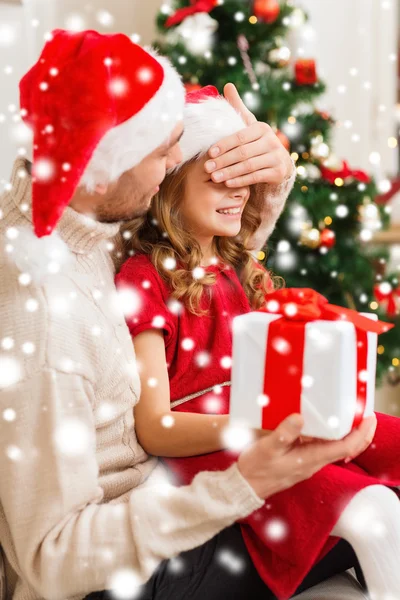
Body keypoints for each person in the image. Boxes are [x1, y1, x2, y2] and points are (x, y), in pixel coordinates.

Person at [0, 30, 377, 600]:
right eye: (163, 151)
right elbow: (52, 561)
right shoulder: (46, 319)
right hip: (120, 574)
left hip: (165, 495)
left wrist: (267, 176)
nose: (178, 162)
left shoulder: (89, 216)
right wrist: (243, 484)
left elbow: (193, 252)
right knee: (366, 512)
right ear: (105, 165)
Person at [116, 86, 400, 600]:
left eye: (246, 182)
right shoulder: (145, 278)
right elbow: (156, 428)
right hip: (220, 447)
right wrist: (263, 427)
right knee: (373, 513)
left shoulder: (236, 265)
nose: (241, 193)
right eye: (222, 179)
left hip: (273, 420)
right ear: (171, 180)